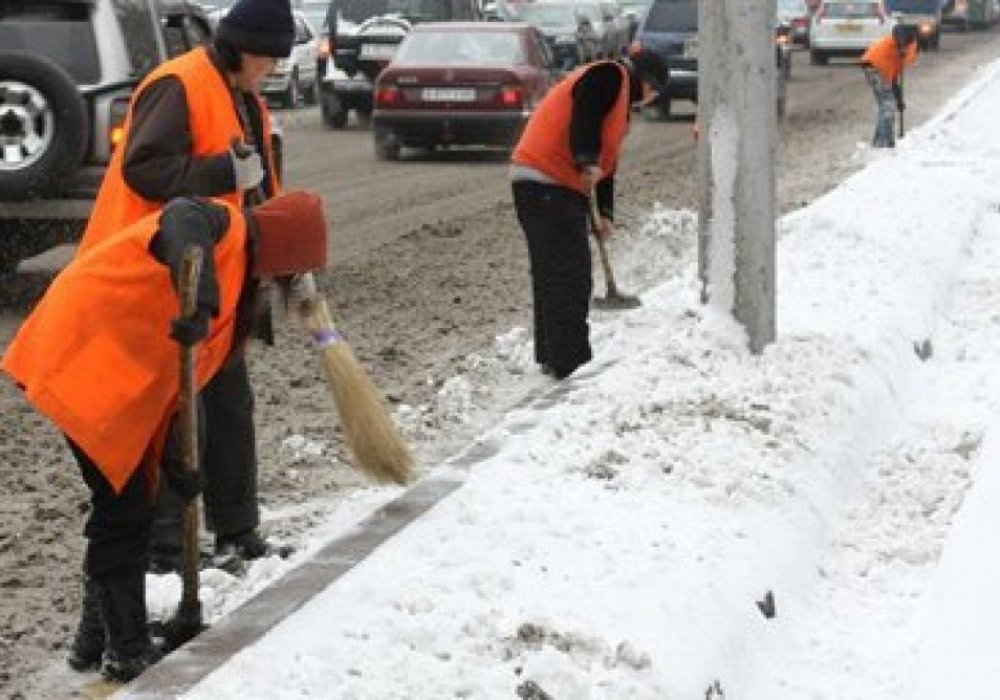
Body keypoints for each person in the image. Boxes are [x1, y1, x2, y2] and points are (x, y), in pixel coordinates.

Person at [1, 191, 328, 682]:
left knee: (128, 502)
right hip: (82, 350)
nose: (282, 285)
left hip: (109, 366)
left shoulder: (241, 283)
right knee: (124, 509)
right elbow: (181, 216)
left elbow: (179, 381)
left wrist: (177, 461)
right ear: (283, 245)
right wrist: (203, 297)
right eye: (291, 269)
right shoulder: (223, 226)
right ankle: (124, 646)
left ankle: (95, 640)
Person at [78, 0, 295, 574]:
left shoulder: (241, 93)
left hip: (215, 276)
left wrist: (280, 253)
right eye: (269, 56)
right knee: (175, 418)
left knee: (229, 404)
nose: (274, 68)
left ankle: (237, 531)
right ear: (241, 45)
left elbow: (256, 190)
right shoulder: (178, 84)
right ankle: (165, 550)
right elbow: (143, 170)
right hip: (157, 276)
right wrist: (223, 173)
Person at [509, 51, 668, 379]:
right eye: (654, 94)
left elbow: (607, 167)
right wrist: (585, 158)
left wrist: (605, 212)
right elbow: (586, 109)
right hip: (548, 179)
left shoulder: (619, 106)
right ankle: (568, 359)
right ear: (649, 84)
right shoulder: (610, 76)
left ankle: (552, 356)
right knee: (569, 272)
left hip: (544, 182)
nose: (649, 101)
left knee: (552, 270)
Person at [860, 24, 919, 148]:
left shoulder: (903, 55)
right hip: (875, 65)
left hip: (874, 66)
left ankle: (879, 141)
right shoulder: (908, 42)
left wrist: (899, 100)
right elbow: (899, 30)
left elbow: (893, 81)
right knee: (887, 106)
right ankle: (885, 142)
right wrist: (902, 45)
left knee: (886, 105)